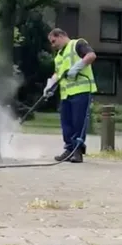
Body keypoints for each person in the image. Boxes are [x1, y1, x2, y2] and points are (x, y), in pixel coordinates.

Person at [43, 28, 98, 163]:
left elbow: (91, 56)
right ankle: (69, 149)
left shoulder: (77, 44)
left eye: (54, 41)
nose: (53, 45)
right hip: (66, 94)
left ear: (61, 36)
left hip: (81, 91)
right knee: (66, 123)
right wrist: (50, 85)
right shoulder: (59, 56)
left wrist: (77, 67)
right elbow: (58, 73)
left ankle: (77, 151)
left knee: (78, 122)